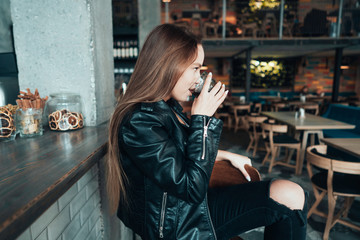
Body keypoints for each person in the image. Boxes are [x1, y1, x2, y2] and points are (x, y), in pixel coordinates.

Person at [107, 24, 308, 240]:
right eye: (195, 68)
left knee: (291, 192)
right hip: (179, 223)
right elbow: (190, 187)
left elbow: (177, 152)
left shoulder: (168, 107)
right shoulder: (138, 121)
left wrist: (226, 154)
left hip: (193, 205)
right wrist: (201, 121)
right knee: (289, 196)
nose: (198, 79)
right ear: (168, 65)